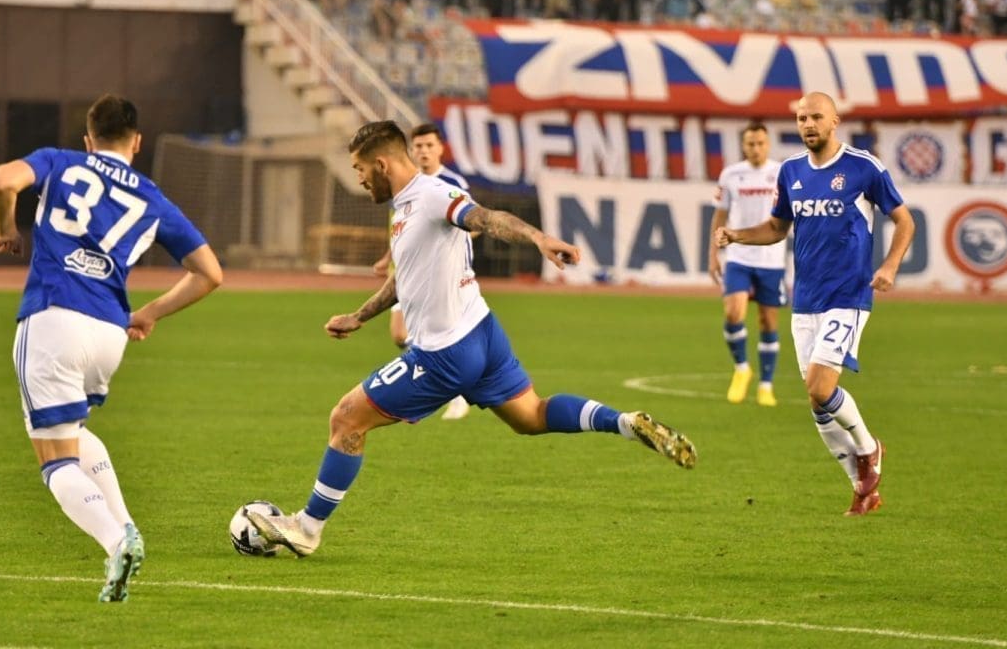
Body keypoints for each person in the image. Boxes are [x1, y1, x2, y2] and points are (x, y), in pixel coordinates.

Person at [249, 121, 696, 557]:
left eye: (360, 169)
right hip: (483, 334)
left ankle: (307, 528)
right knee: (531, 416)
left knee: (347, 419)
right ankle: (625, 422)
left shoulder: (432, 194)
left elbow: (486, 218)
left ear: (381, 164)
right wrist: (359, 315)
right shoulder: (404, 208)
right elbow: (405, 278)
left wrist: (538, 238)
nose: (360, 179)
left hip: (444, 353)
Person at [0, 95, 222, 601]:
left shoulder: (61, 161)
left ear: (88, 140)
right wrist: (150, 313)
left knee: (55, 459)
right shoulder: (152, 197)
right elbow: (210, 273)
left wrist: (6, 231)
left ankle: (116, 542)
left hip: (54, 316)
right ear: (137, 142)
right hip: (110, 332)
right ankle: (126, 526)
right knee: (74, 432)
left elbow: (3, 180)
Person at [715, 92, 915, 517]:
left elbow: (904, 220)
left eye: (816, 117)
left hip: (847, 295)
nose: (808, 124)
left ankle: (869, 448)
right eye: (802, 118)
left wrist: (890, 265)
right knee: (817, 403)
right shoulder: (791, 171)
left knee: (821, 388)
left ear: (834, 121)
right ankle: (861, 488)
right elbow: (776, 227)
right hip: (806, 300)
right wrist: (736, 235)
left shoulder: (863, 167)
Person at [372, 123, 474, 421]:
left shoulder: (452, 182)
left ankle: (451, 391)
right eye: (418, 146)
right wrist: (387, 257)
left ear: (440, 148)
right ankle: (444, 383)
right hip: (405, 272)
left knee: (435, 335)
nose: (424, 151)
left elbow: (472, 223)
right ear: (411, 150)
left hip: (439, 275)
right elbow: (403, 229)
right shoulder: (403, 185)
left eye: (429, 145)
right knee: (399, 334)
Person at [708, 123, 786, 407]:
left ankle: (766, 386)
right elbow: (720, 216)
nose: (756, 148)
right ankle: (742, 368)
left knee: (768, 320)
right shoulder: (731, 174)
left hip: (772, 258)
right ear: (743, 146)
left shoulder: (782, 173)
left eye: (760, 143)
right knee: (733, 312)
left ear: (768, 144)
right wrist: (713, 254)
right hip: (738, 256)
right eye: (751, 143)